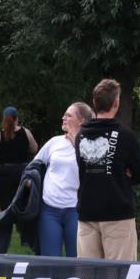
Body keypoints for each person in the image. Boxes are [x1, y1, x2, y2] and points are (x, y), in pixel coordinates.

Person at [76, 78, 140, 261]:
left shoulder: (80, 135)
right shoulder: (125, 135)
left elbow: (82, 170)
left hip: (87, 213)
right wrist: (121, 174)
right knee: (121, 278)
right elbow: (139, 174)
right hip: (117, 213)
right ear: (116, 103)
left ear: (94, 103)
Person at [26, 102, 94, 257]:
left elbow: (93, 174)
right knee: (49, 261)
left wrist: (75, 141)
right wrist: (31, 181)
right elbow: (32, 167)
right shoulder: (54, 142)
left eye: (68, 115)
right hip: (49, 209)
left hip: (75, 210)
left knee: (76, 259)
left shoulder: (90, 145)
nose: (63, 118)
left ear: (81, 120)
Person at [0, 106, 37, 254]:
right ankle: (27, 238)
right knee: (23, 206)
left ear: (4, 118)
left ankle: (2, 243)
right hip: (22, 173)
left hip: (5, 174)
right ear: (17, 118)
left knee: (6, 209)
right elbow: (34, 149)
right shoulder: (25, 132)